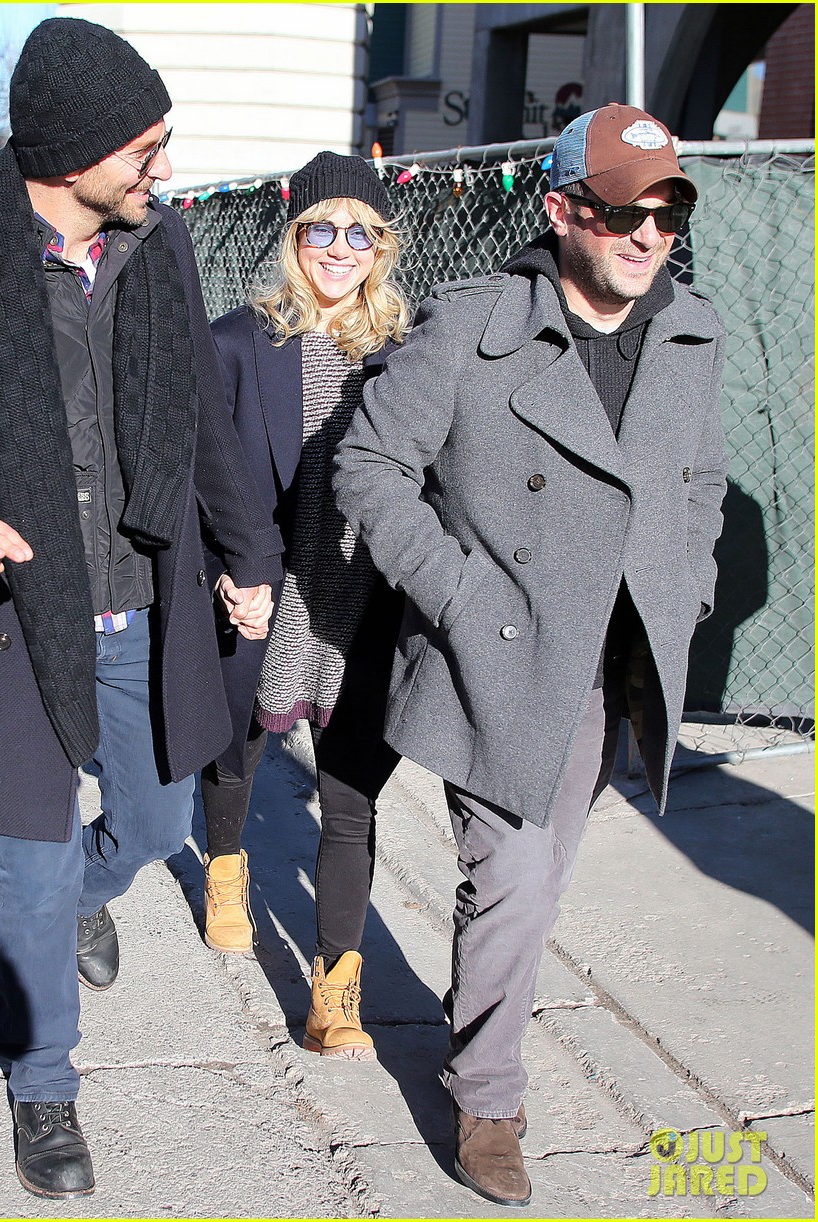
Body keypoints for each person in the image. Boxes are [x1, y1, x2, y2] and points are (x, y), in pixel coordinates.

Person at [0, 18, 283, 1200]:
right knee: (23, 874)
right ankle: (43, 1087)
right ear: (71, 154)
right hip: (14, 620)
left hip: (149, 603)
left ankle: (88, 893)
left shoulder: (160, 246)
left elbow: (201, 436)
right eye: (145, 147)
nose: (162, 169)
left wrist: (248, 558)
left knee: (159, 823)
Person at [335, 104, 727, 1206]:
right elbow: (366, 463)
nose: (646, 234)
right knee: (509, 875)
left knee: (541, 876)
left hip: (618, 659)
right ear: (561, 210)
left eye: (667, 209)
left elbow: (700, 482)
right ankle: (488, 1097)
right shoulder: (470, 326)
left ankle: (484, 1044)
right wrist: (456, 593)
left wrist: (685, 587)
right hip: (500, 654)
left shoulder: (691, 330)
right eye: (619, 211)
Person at [199, 152, 410, 1061]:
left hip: (363, 605)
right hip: (267, 592)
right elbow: (200, 476)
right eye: (320, 228)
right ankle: (226, 866)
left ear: (380, 248)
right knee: (236, 752)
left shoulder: (405, 353)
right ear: (293, 238)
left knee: (351, 800)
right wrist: (222, 572)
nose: (338, 247)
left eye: (358, 231)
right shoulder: (240, 342)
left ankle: (335, 990)